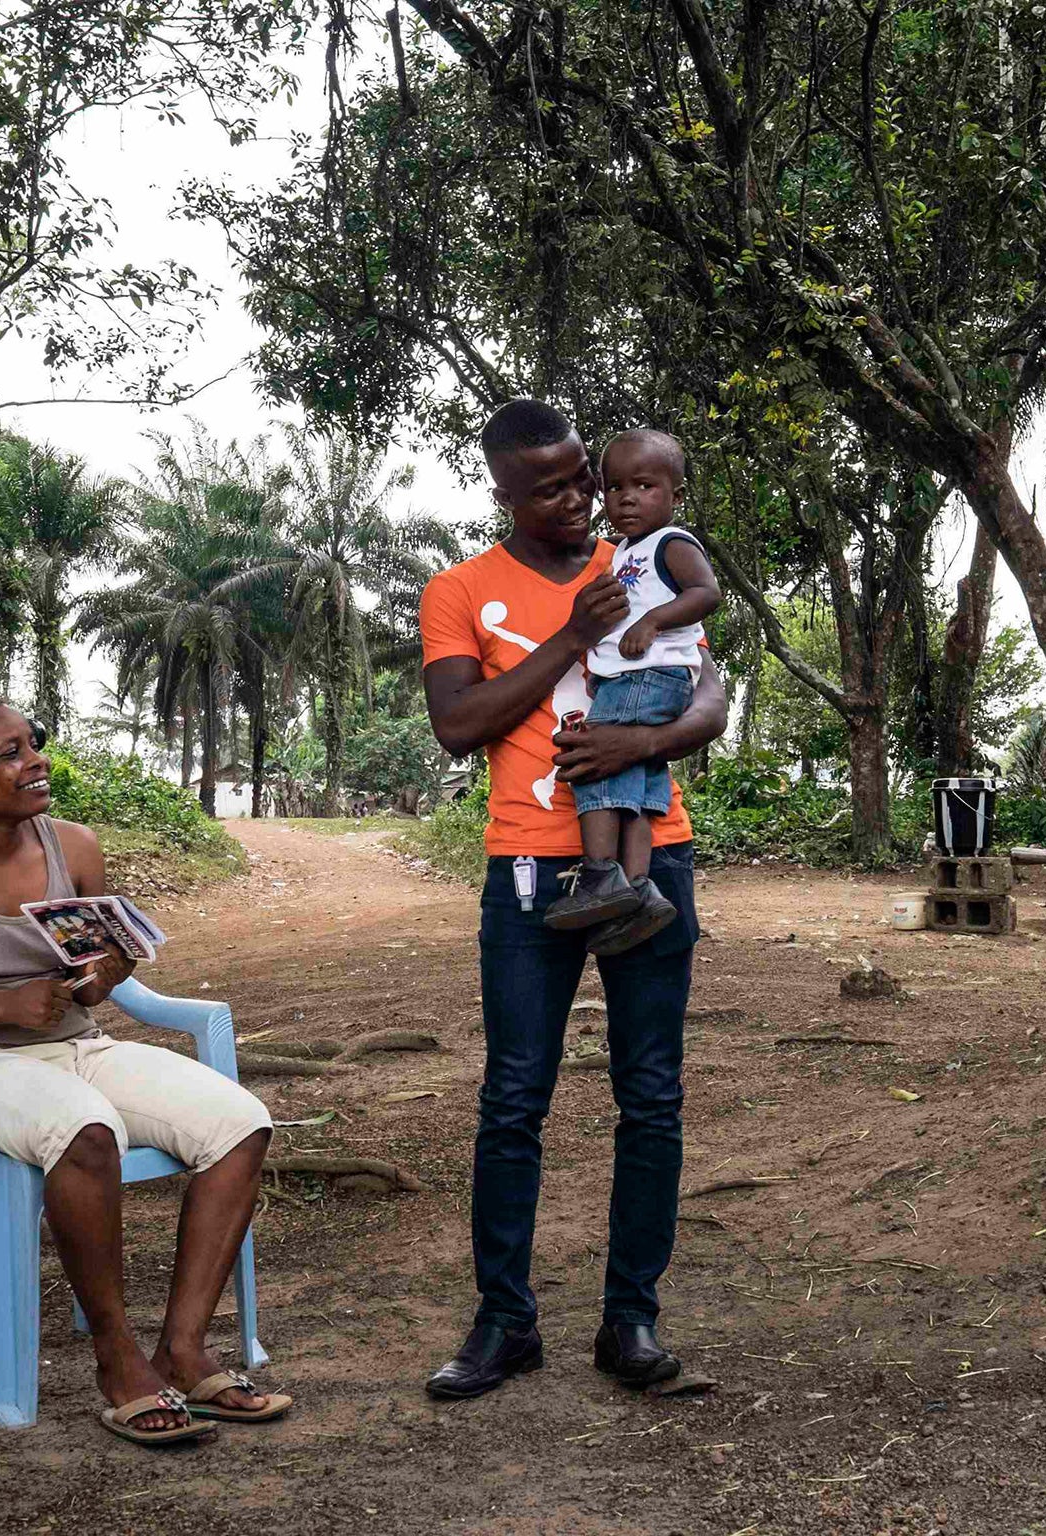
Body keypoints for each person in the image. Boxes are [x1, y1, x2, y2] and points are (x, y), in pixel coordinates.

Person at [0, 695, 286, 1445]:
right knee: (88, 1131)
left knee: (241, 1123)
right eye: (11, 754)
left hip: (79, 1049)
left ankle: (183, 1350)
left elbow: (100, 961)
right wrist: (0, 1006)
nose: (38, 763)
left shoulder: (74, 845)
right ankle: (117, 1355)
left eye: (36, 743)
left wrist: (101, 975)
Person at [418, 398, 729, 1400]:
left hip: (649, 859)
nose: (578, 497)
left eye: (579, 477)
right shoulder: (459, 589)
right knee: (514, 1099)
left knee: (651, 1094)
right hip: (528, 866)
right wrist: (568, 637)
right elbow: (458, 725)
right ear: (503, 492)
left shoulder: (636, 552)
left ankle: (628, 1320)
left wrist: (641, 745)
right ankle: (505, 1323)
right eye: (547, 485)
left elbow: (711, 693)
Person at [542, 429, 722, 951]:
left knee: (593, 761)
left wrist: (654, 625)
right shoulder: (625, 551)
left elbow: (706, 593)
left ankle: (601, 874)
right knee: (641, 789)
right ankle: (640, 890)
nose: (626, 497)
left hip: (649, 674)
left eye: (644, 485)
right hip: (638, 675)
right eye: (615, 487)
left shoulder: (673, 542)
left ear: (675, 495)